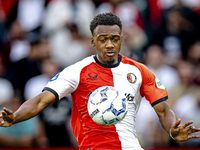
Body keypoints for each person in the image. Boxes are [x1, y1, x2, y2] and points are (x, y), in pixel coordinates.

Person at [0, 13, 200, 150]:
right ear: (93, 41)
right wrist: (15, 116)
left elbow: (163, 110)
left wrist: (173, 129)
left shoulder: (139, 71)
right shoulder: (77, 71)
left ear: (121, 39)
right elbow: (41, 100)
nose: (110, 44)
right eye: (103, 39)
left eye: (114, 38)